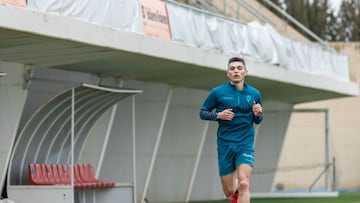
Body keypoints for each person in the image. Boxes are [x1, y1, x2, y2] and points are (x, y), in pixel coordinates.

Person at [199, 57, 263, 203]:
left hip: (245, 143)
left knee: (244, 183)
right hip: (225, 144)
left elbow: (258, 120)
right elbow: (202, 112)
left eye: (239, 68)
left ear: (245, 72)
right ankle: (235, 196)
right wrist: (218, 115)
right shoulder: (217, 92)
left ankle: (240, 193)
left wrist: (258, 114)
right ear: (228, 73)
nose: (236, 71)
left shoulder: (254, 94)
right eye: (232, 69)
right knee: (228, 190)